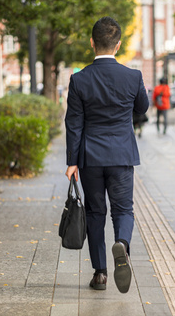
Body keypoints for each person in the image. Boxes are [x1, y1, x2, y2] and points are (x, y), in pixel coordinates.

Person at [64, 17, 149, 293]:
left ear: (92, 43)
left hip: (90, 158)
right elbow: (143, 107)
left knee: (95, 212)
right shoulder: (133, 76)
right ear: (118, 45)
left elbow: (73, 123)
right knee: (124, 209)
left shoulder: (79, 80)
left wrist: (72, 161)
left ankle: (100, 273)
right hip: (122, 155)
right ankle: (122, 244)